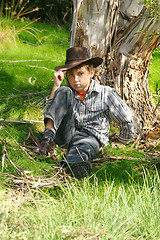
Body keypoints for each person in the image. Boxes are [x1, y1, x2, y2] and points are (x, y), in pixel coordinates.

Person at [33, 47, 134, 179]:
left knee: (83, 148)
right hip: (66, 133)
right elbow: (48, 113)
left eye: (80, 74)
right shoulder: (67, 92)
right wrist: (56, 86)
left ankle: (73, 168)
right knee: (64, 91)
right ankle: (46, 142)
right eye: (70, 75)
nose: (75, 79)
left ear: (91, 73)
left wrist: (122, 141)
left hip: (90, 136)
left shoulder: (105, 93)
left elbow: (126, 118)